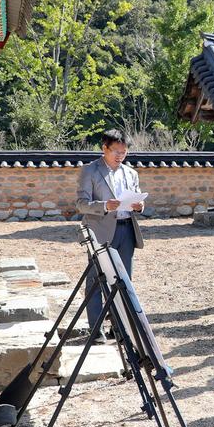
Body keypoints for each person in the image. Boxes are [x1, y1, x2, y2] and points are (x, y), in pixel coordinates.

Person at [76, 129, 144, 340]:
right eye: (116, 151)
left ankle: (120, 327)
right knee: (96, 281)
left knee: (124, 281)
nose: (120, 156)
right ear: (104, 148)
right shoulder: (90, 171)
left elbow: (137, 198)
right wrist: (105, 205)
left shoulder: (131, 173)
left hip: (127, 230)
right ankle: (96, 330)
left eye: (124, 152)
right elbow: (81, 204)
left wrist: (140, 206)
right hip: (100, 231)